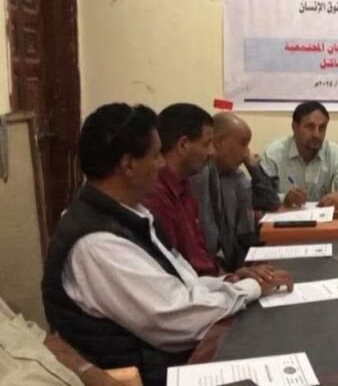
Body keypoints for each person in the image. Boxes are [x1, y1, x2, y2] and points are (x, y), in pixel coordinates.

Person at [41, 103, 292, 386]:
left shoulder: (131, 214)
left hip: (172, 359)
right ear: (129, 165)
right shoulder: (97, 245)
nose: (162, 165)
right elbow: (178, 319)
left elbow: (184, 282)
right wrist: (251, 289)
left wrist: (230, 283)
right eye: (156, 155)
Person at [190, 112, 280, 272]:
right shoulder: (199, 176)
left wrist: (253, 166)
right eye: (243, 144)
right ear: (219, 142)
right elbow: (209, 241)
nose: (246, 152)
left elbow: (271, 203)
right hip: (212, 270)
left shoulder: (234, 176)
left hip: (234, 260)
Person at [145, 103, 219, 276]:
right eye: (206, 144)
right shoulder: (156, 196)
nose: (212, 152)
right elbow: (175, 272)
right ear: (183, 145)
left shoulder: (184, 186)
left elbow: (201, 256)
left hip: (209, 284)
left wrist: (232, 277)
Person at [261, 101, 338, 209]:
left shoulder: (335, 153)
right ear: (294, 127)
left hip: (321, 216)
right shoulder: (274, 153)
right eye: (310, 127)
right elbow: (260, 195)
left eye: (322, 127)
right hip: (284, 215)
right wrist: (285, 199)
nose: (316, 134)